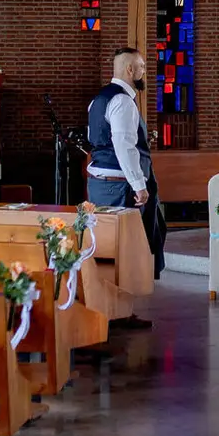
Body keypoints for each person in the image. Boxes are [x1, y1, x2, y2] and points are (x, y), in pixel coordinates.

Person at [84, 47, 166, 279]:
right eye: (141, 67)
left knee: (106, 245)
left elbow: (96, 138)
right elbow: (124, 146)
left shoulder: (98, 99)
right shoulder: (122, 101)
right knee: (127, 248)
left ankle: (114, 306)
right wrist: (139, 184)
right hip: (120, 185)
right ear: (130, 69)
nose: (143, 71)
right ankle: (122, 308)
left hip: (100, 183)